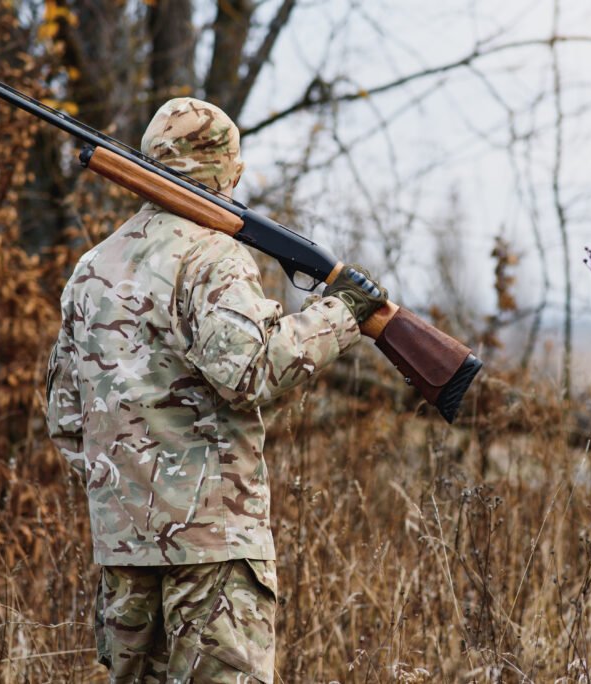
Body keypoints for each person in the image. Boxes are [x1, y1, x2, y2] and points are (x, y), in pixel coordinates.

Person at [44, 97, 386, 683]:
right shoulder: (212, 255)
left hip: (124, 555)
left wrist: (130, 490)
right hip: (215, 552)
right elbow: (252, 371)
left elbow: (66, 418)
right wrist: (343, 314)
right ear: (231, 171)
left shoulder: (92, 268)